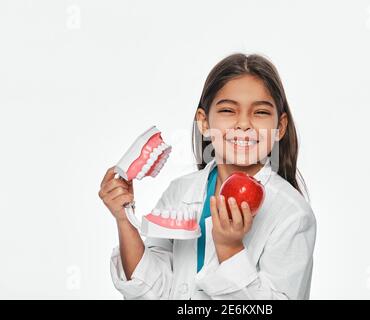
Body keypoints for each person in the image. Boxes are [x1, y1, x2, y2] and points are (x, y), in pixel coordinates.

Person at [98, 53, 317, 299]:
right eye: (227, 110)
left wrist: (230, 249)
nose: (243, 123)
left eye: (261, 112)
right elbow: (152, 292)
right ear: (203, 122)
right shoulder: (180, 191)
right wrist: (124, 218)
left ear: (281, 127)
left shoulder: (292, 214)